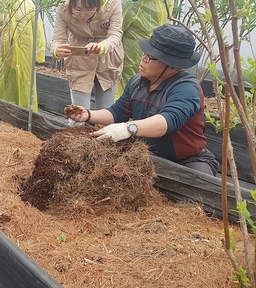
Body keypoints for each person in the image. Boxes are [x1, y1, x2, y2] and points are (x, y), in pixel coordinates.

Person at [64, 24, 219, 176]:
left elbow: (169, 120)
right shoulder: (138, 82)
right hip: (145, 156)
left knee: (198, 188)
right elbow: (118, 112)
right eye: (144, 53)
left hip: (186, 161)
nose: (143, 58)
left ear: (172, 67)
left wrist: (128, 129)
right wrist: (89, 115)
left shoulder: (186, 88)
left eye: (150, 57)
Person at [51, 0, 123, 122]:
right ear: (72, 3)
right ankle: (75, 143)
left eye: (89, 9)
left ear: (99, 4)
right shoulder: (63, 6)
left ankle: (102, 143)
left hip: (108, 58)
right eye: (77, 9)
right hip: (79, 60)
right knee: (77, 114)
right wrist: (56, 50)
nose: (83, 14)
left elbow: (116, 34)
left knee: (105, 113)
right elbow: (58, 39)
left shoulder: (113, 1)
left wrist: (102, 47)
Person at [118, 0, 180, 95]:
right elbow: (117, 32)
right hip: (133, 59)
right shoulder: (130, 1)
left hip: (159, 58)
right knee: (130, 94)